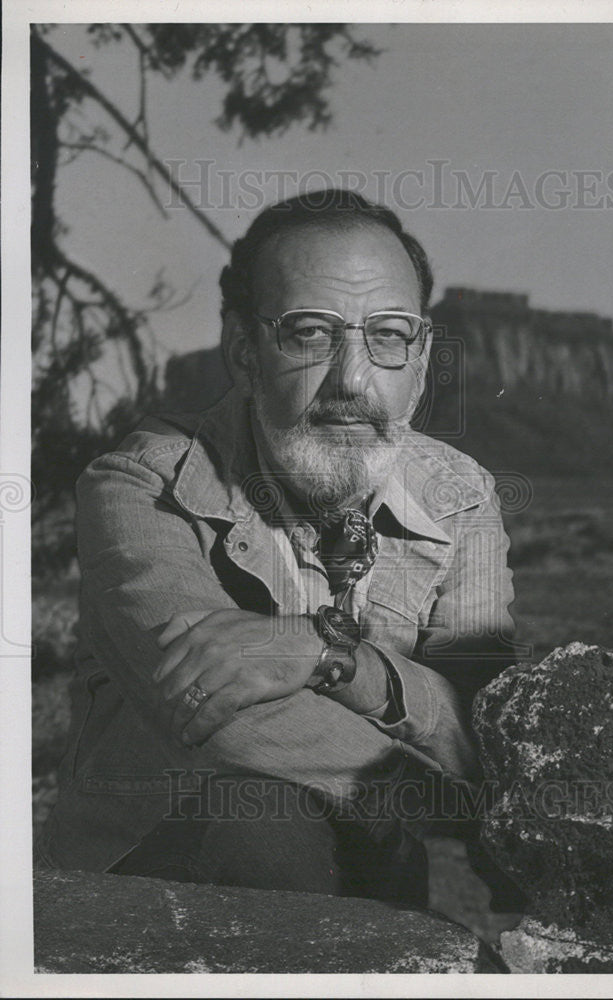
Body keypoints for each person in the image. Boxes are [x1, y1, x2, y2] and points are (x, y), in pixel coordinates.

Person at [36, 190, 518, 909]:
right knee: (263, 822)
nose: (352, 382)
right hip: (145, 897)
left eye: (386, 335)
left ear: (418, 364)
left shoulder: (464, 496)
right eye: (309, 333)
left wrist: (336, 661)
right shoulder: (138, 486)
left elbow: (489, 730)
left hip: (378, 879)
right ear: (243, 352)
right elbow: (223, 719)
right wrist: (466, 819)